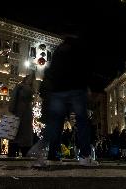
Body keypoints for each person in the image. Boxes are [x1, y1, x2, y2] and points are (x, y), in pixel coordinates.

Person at [27, 35, 99, 166]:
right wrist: (86, 85)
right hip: (76, 88)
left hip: (58, 90)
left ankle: (40, 146)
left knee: (55, 122)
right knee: (82, 121)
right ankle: (84, 156)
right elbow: (86, 66)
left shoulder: (59, 50)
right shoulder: (80, 47)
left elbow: (51, 70)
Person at [7, 73, 35, 157]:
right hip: (19, 113)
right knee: (16, 134)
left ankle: (24, 154)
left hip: (26, 114)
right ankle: (13, 153)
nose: (31, 80)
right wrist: (12, 109)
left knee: (24, 136)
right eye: (30, 78)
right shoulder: (20, 87)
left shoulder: (30, 88)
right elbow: (13, 99)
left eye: (32, 79)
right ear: (26, 78)